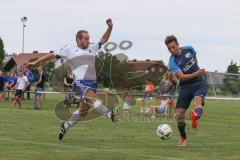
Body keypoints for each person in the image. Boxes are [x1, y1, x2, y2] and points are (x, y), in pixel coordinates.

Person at [27, 19, 117, 140]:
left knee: (82, 112)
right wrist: (36, 62)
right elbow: (51, 55)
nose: (88, 40)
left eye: (88, 38)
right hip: (80, 83)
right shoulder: (69, 49)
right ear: (78, 40)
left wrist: (110, 28)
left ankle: (65, 126)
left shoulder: (92, 47)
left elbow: (104, 39)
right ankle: (110, 114)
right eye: (85, 39)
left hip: (92, 83)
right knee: (93, 98)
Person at [165, 35, 208, 147]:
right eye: (169, 48)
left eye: (173, 47)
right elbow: (181, 77)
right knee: (178, 115)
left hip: (199, 82)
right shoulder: (172, 61)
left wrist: (197, 73)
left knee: (198, 100)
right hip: (185, 86)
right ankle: (183, 138)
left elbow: (195, 59)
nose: (171, 50)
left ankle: (195, 115)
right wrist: (196, 73)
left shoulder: (189, 48)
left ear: (178, 44)